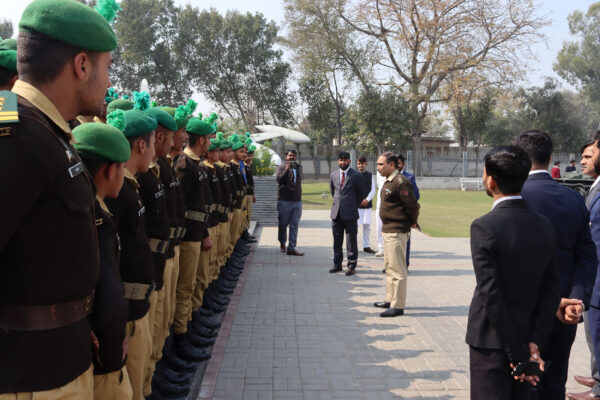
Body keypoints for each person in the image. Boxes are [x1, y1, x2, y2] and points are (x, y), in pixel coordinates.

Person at [0, 0, 115, 397]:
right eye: (108, 66)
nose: (109, 81)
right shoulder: (14, 132)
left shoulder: (46, 131)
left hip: (61, 361)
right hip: (32, 377)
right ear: (81, 65)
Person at [466, 145, 561, 400]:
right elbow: (552, 288)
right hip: (531, 338)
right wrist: (534, 343)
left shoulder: (484, 226)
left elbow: (491, 293)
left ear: (491, 180)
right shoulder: (545, 224)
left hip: (492, 341)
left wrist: (517, 351)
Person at [514, 130, 596, 400]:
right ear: (551, 159)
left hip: (525, 310)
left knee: (522, 382)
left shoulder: (513, 198)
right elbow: (586, 255)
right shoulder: (573, 199)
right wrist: (576, 298)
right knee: (554, 381)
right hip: (566, 309)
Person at [72, 122, 133, 399]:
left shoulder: (82, 209)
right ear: (111, 170)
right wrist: (112, 351)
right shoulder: (96, 218)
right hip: (103, 364)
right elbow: (107, 296)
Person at [104, 109, 157, 400]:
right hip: (126, 307)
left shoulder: (130, 186)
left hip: (138, 301)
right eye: (152, 143)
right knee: (133, 384)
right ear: (141, 145)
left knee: (143, 369)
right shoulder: (118, 191)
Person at [136, 106, 176, 397]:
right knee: (141, 350)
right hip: (141, 276)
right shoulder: (133, 179)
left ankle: (158, 378)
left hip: (160, 262)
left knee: (161, 324)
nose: (176, 144)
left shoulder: (157, 168)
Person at [568, 137, 600, 400]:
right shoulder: (595, 186)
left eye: (590, 155)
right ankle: (597, 375)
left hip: (599, 278)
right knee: (593, 333)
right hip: (594, 276)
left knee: (598, 331)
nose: (582, 161)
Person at [374, 152, 419, 317]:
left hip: (397, 230)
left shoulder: (401, 182)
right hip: (388, 229)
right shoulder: (388, 181)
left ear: (391, 165)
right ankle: (390, 299)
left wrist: (412, 221)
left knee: (398, 270)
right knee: (389, 267)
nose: (378, 167)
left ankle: (398, 305)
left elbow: (413, 205)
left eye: (381, 164)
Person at [329, 151, 364, 276]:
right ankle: (337, 265)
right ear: (338, 161)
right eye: (340, 160)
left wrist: (351, 205)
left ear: (349, 161)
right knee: (337, 242)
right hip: (336, 214)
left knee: (351, 242)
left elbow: (360, 195)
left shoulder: (355, 175)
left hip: (350, 214)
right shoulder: (333, 175)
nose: (342, 162)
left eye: (345, 160)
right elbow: (333, 193)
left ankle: (351, 266)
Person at [276, 149, 304, 256]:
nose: (292, 157)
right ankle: (282, 242)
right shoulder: (281, 167)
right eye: (290, 155)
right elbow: (279, 180)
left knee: (294, 225)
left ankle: (291, 247)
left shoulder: (299, 167)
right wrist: (286, 170)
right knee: (283, 224)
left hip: (297, 201)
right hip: (284, 201)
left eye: (294, 156)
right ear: (286, 156)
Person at [356, 155, 376, 253]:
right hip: (357, 206)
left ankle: (366, 246)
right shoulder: (353, 175)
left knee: (367, 227)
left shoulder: (370, 175)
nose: (361, 166)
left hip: (367, 205)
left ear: (366, 164)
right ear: (356, 164)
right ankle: (353, 245)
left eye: (362, 164)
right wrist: (359, 200)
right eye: (359, 164)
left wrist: (367, 200)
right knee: (355, 226)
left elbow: (373, 190)